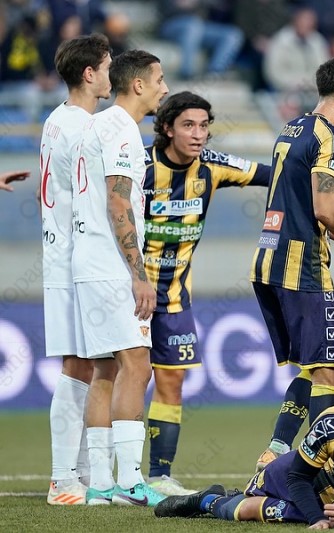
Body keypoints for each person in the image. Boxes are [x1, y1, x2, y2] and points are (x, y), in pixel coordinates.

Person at [142, 91, 272, 496]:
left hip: (174, 297)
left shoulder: (212, 166)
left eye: (204, 126)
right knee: (120, 377)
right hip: (127, 293)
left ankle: (159, 476)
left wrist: (326, 176)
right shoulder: (139, 166)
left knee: (172, 381)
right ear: (167, 128)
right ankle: (104, 472)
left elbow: (273, 174)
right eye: (188, 126)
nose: (198, 134)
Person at [250, 57, 334, 471]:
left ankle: (277, 448)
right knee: (330, 368)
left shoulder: (292, 127)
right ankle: (324, 468)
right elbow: (325, 207)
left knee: (316, 363)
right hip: (302, 265)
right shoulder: (329, 136)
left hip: (268, 258)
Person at [154, 369, 334, 527]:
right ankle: (208, 500)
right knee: (248, 510)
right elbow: (298, 476)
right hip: (313, 487)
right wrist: (317, 518)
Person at [71, 49, 169, 507]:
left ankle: (100, 485)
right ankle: (130, 482)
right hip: (111, 266)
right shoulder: (123, 130)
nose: (164, 88)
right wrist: (138, 274)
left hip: (87, 261)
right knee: (138, 364)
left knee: (105, 370)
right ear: (138, 85)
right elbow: (118, 202)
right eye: (159, 80)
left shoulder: (96, 125)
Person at [40, 33, 112, 506]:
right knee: (78, 365)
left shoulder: (55, 120)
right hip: (75, 260)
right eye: (107, 67)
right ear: (89, 74)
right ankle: (63, 478)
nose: (111, 75)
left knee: (87, 364)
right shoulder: (86, 128)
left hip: (61, 254)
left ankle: (79, 473)